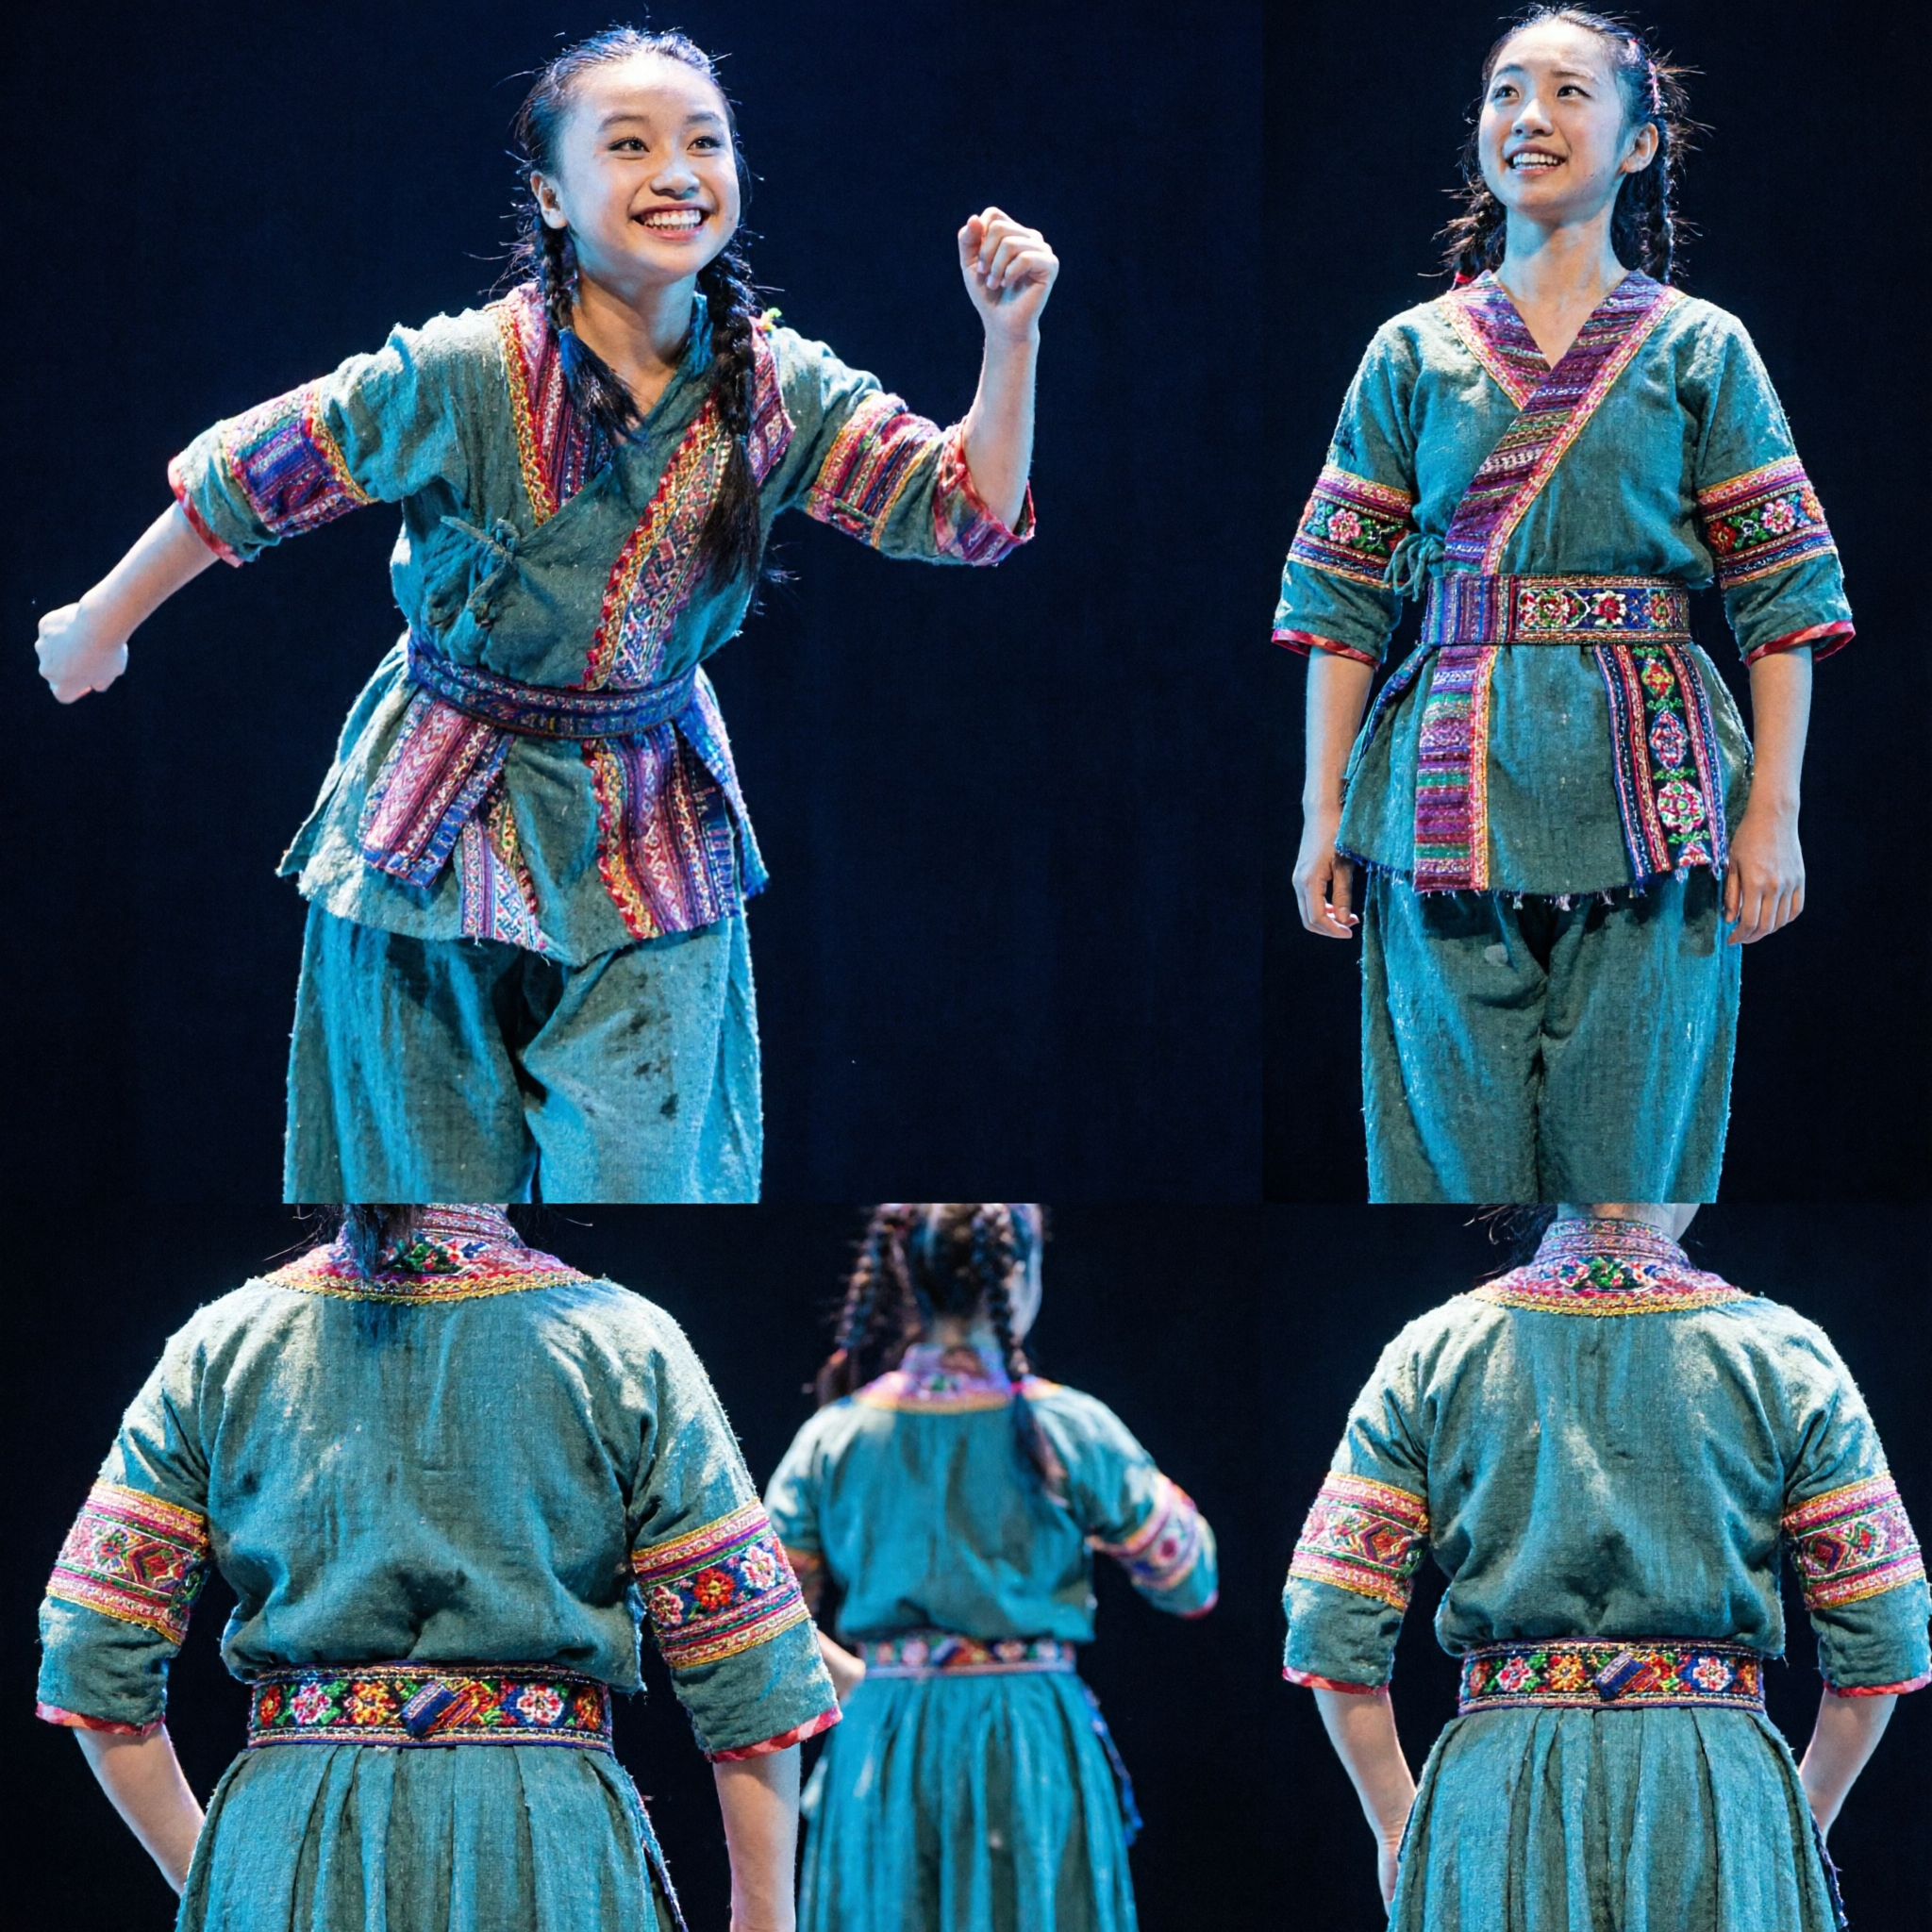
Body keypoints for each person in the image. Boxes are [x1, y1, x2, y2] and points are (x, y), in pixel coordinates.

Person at [33, 27, 1057, 1205]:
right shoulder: (464, 371)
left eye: (702, 142)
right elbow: (258, 474)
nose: (675, 171)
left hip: (647, 828)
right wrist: (99, 620)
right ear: (551, 197)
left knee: (645, 1191)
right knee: (419, 1213)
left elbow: (966, 511)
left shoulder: (774, 385)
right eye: (628, 145)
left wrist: (1007, 338)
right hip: (436, 818)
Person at [1275, 8, 1849, 1202]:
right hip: (1443, 788)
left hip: (1654, 789)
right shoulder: (1409, 352)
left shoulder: (1700, 348)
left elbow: (1783, 600)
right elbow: (1336, 602)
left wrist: (1774, 817)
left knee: (1631, 1181)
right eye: (1502, 92)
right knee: (1449, 1180)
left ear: (1639, 142)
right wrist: (1318, 811)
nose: (1526, 118)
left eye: (1567, 93)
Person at [36, 1204, 840, 1931]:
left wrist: (223, 1882)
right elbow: (752, 1663)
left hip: (285, 1845)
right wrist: (765, 1918)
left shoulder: (221, 1346)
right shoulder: (623, 1343)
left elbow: (87, 1653)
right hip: (545, 1853)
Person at [1283, 1206, 1927, 1928]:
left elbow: (1328, 1615)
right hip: (1717, 1791)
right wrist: (1798, 1815)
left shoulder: (1432, 1353)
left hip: (1493, 1799)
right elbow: (1888, 1633)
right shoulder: (1785, 1356)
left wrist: (1397, 1825)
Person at [764, 1204, 1218, 1932]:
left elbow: (763, 1617)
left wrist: (872, 1679)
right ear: (1019, 1273)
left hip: (884, 1740)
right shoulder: (1068, 1428)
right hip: (1024, 1735)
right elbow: (1189, 1577)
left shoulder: (835, 1437)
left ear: (907, 1274)